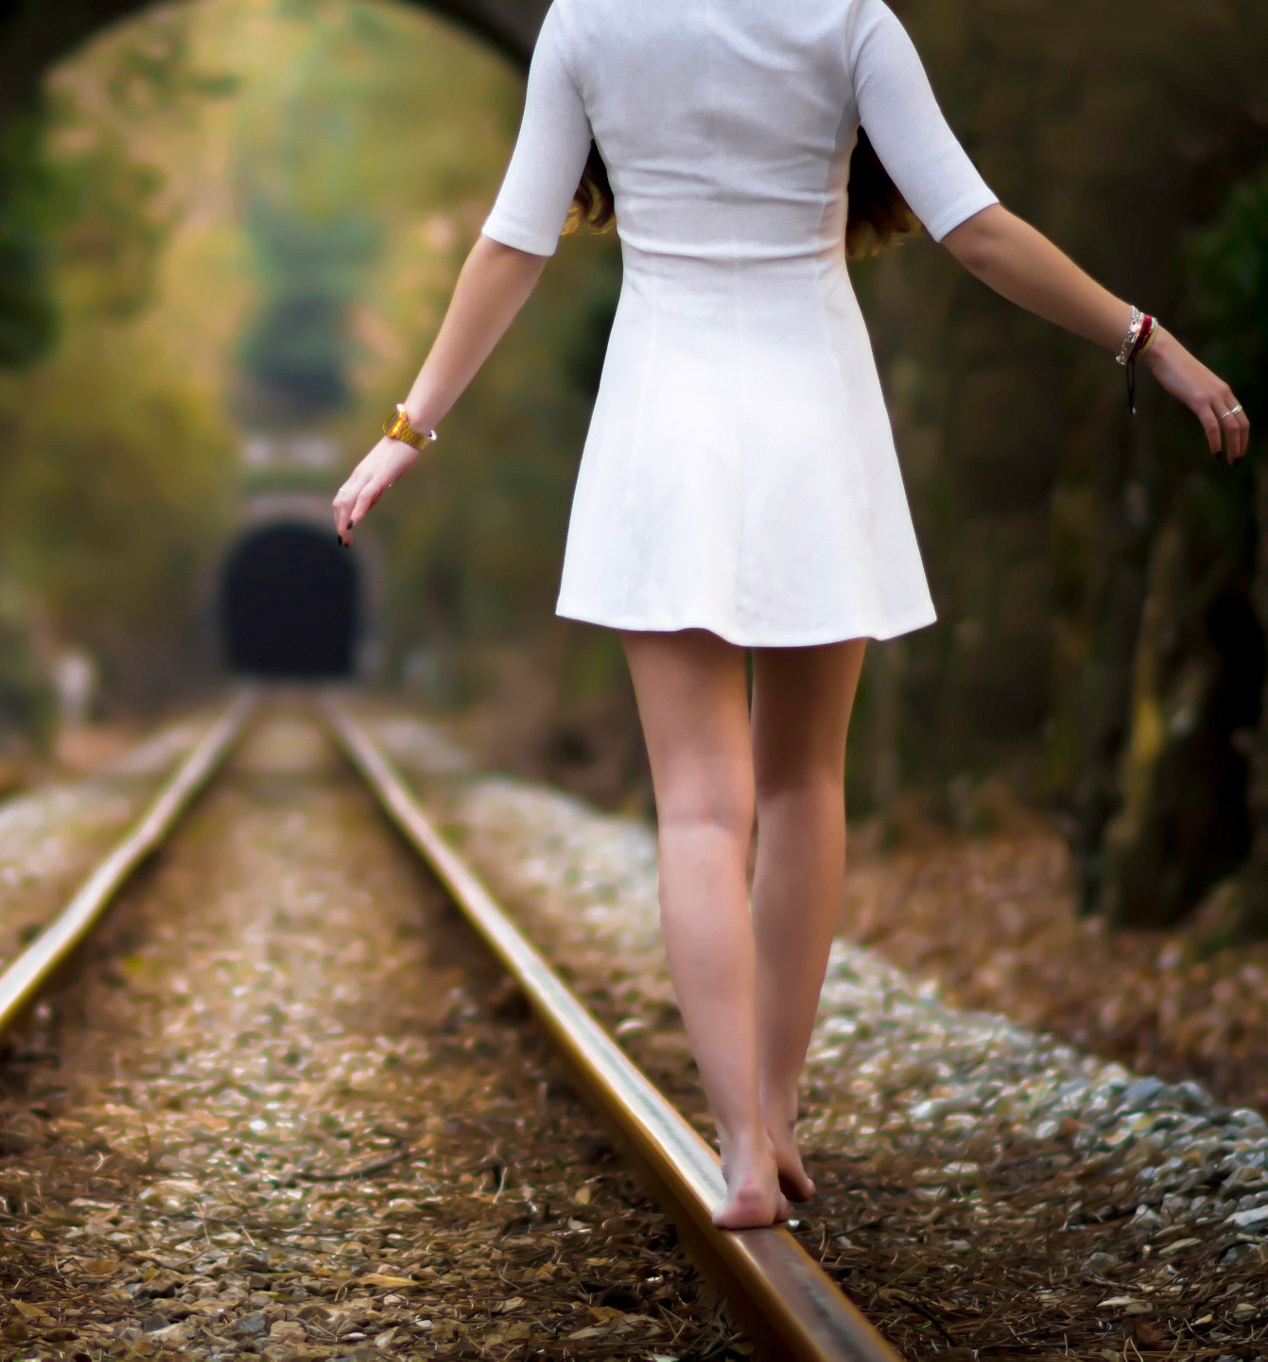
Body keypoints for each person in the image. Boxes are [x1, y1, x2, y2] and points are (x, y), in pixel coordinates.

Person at [331, 0, 1249, 1229]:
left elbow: (510, 245)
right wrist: (1147, 342)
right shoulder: (845, 21)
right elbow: (973, 231)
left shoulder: (585, 25)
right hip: (812, 423)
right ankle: (774, 1102)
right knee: (801, 785)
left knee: (697, 808)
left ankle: (741, 1153)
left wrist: (407, 432)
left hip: (664, 429)